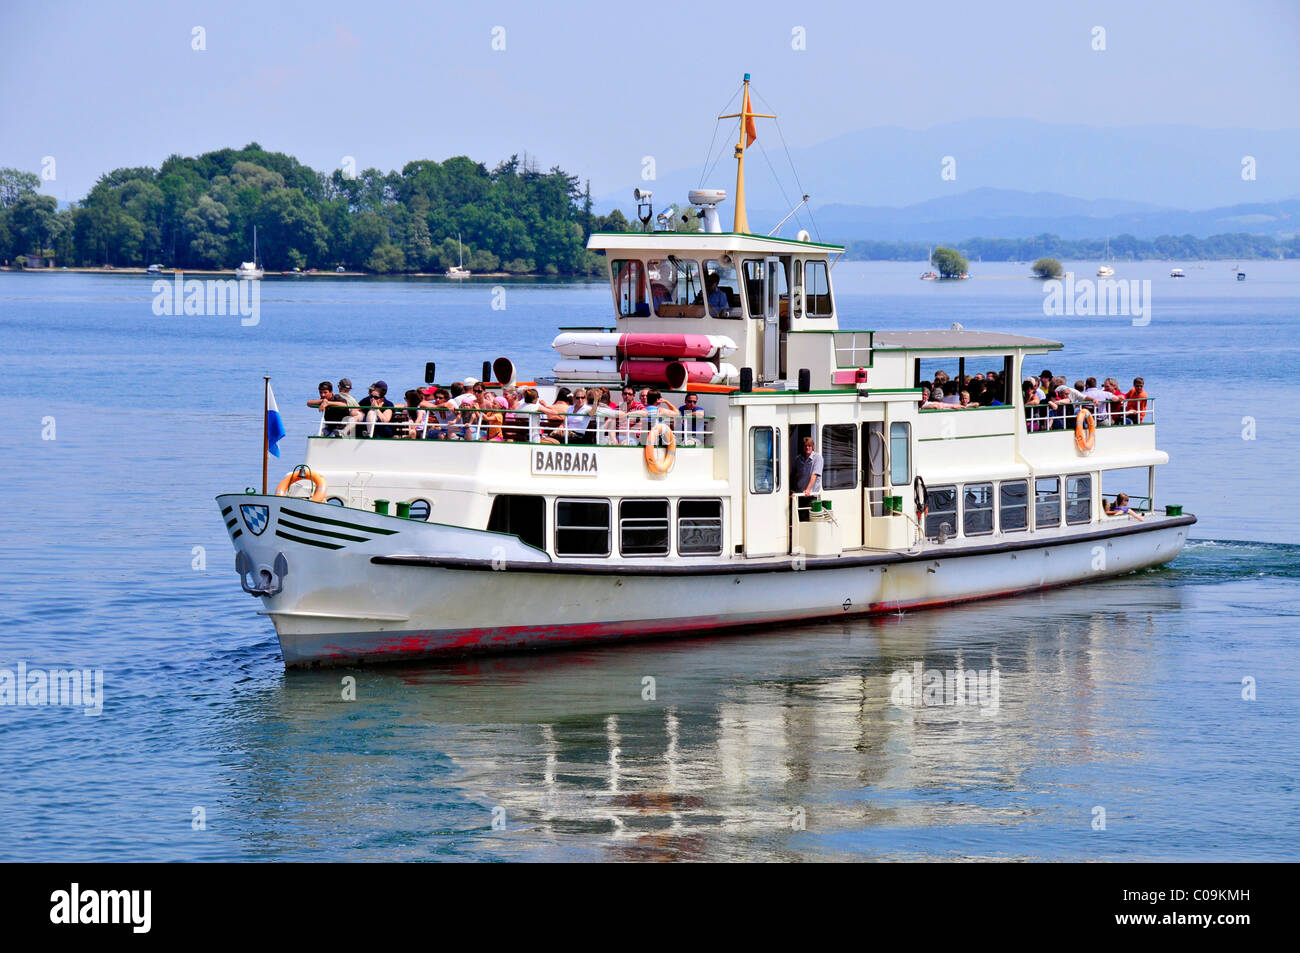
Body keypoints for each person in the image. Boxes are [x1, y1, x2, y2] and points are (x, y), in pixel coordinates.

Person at [791, 436, 824, 522]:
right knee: (799, 520)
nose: (807, 447)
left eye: (809, 445)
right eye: (805, 446)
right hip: (799, 496)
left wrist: (808, 489)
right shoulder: (798, 459)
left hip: (811, 496)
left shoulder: (818, 458)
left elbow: (814, 475)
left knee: (808, 521)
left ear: (812, 446)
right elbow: (793, 475)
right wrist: (792, 491)